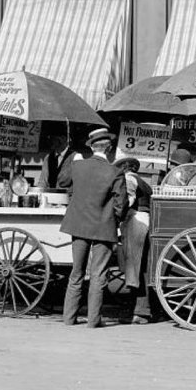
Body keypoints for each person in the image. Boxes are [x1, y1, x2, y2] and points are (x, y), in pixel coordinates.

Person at [59, 127, 129, 328]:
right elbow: (121, 204)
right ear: (109, 149)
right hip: (103, 228)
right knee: (99, 275)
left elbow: (62, 180)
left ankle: (69, 318)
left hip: (78, 225)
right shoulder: (115, 172)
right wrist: (114, 219)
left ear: (92, 146)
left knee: (76, 273)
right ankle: (93, 321)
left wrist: (72, 161)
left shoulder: (78, 165)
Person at [115, 156, 155, 324]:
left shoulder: (129, 179)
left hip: (135, 221)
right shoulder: (144, 181)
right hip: (146, 221)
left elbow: (127, 201)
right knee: (141, 267)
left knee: (133, 267)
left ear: (125, 168)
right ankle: (142, 311)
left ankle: (139, 311)